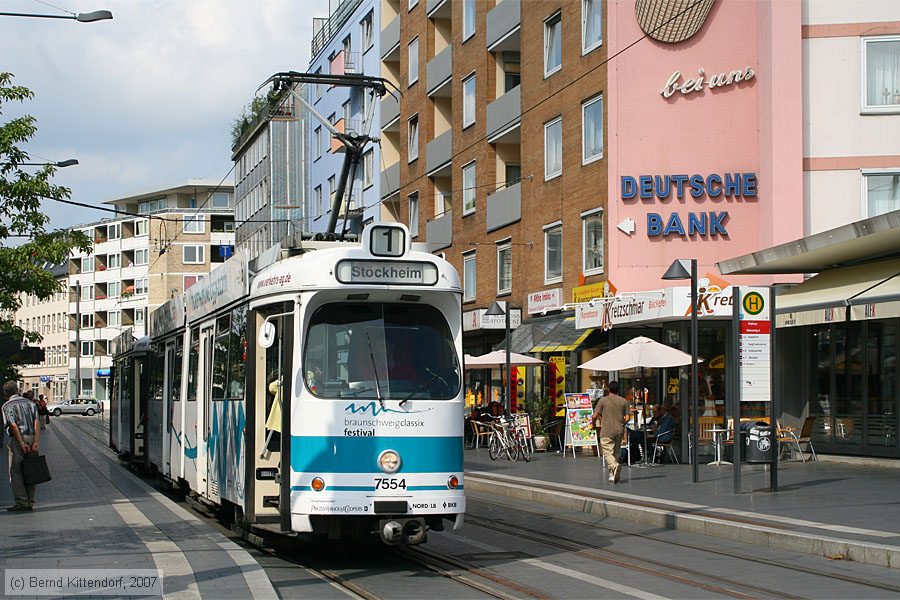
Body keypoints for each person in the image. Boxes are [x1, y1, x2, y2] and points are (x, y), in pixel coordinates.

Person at [2, 381, 41, 511]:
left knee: (16, 471)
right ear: (17, 390)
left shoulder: (7, 406)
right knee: (31, 469)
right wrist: (35, 441)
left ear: (5, 393)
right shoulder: (30, 403)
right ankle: (30, 501)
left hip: (19, 440)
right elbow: (37, 422)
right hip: (32, 437)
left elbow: (12, 425)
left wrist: (22, 443)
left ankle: (21, 502)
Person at [591, 380, 630, 484]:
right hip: (619, 430)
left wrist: (593, 424)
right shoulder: (624, 401)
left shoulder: (603, 400)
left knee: (607, 452)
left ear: (609, 389)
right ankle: (612, 475)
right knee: (615, 453)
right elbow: (627, 417)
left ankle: (614, 466)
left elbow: (595, 415)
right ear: (618, 389)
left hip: (606, 431)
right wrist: (622, 423)